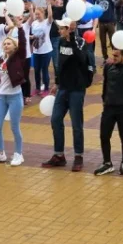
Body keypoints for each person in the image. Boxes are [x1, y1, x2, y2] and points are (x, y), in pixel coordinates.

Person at [43, 19, 93, 171]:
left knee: (76, 124)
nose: (59, 31)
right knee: (55, 119)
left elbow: (81, 58)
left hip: (77, 89)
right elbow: (60, 64)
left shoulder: (80, 42)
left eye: (61, 29)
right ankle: (59, 155)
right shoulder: (60, 42)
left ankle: (78, 156)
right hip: (63, 88)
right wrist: (57, 83)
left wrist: (72, 41)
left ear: (68, 29)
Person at [96, 46, 123, 176]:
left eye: (116, 56)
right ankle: (107, 163)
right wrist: (104, 99)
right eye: (112, 55)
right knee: (104, 135)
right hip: (108, 107)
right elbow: (105, 84)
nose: (113, 58)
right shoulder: (108, 67)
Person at [0, 35, 27, 166]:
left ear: (15, 46)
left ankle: (18, 154)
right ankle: (0, 153)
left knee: (14, 127)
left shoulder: (18, 57)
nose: (6, 45)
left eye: (9, 43)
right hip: (1, 97)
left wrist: (20, 28)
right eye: (4, 44)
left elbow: (23, 45)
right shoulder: (1, 59)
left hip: (15, 96)